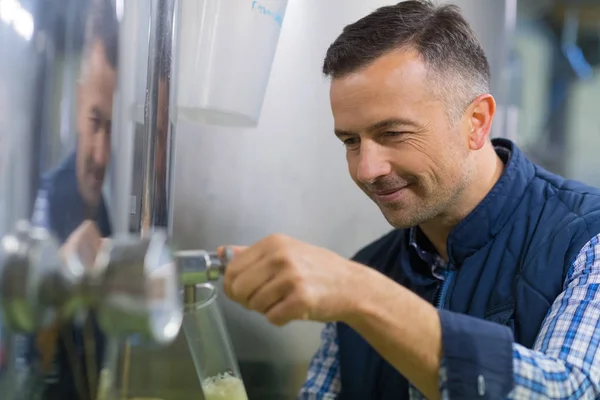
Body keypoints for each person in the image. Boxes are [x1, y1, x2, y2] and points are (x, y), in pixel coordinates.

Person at [221, 1, 600, 399]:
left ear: (476, 123)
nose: (367, 169)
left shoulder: (585, 237)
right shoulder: (368, 270)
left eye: (394, 134)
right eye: (351, 141)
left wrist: (365, 296)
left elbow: (569, 390)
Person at [27, 0, 119, 399]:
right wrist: (57, 279)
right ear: (77, 103)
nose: (101, 154)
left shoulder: (104, 210)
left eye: (112, 131)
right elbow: (24, 364)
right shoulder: (42, 204)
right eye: (95, 123)